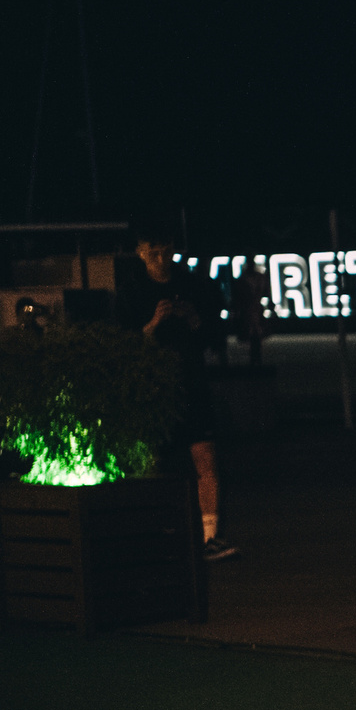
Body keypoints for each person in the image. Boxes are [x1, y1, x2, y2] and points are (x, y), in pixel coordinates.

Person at [118, 220, 237, 561]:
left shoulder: (193, 285)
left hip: (192, 382)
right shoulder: (131, 291)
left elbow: (216, 337)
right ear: (140, 254)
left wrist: (194, 319)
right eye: (152, 252)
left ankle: (209, 537)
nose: (161, 259)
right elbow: (123, 345)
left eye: (166, 251)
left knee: (206, 459)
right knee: (151, 464)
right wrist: (153, 325)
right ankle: (154, 536)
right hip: (152, 388)